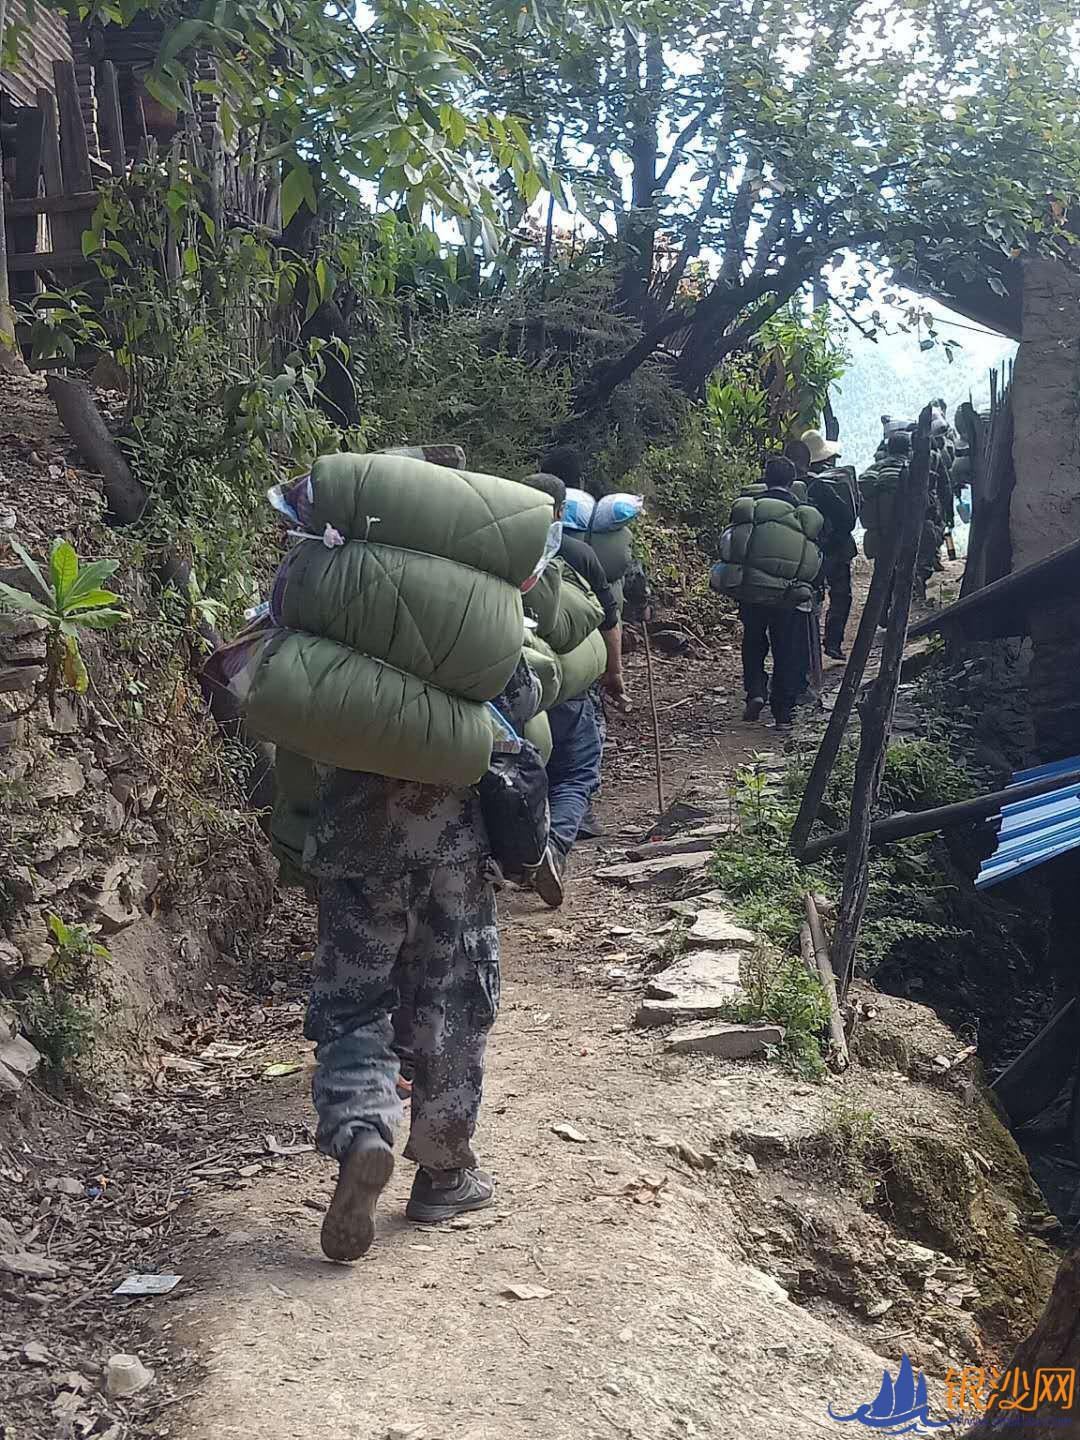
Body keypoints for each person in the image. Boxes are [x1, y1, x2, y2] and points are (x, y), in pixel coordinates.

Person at [304, 652, 542, 1262]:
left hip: (351, 842)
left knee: (352, 1005)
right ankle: (443, 1174)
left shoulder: (329, 618)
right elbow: (516, 698)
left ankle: (362, 1129)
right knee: (453, 1001)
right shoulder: (466, 615)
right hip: (449, 843)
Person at [520, 470, 627, 906]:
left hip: (511, 688)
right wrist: (614, 674)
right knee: (578, 771)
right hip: (567, 689)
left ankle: (515, 851)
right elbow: (609, 622)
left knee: (523, 770)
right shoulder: (580, 553)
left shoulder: (497, 549)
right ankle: (553, 847)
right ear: (562, 511)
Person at [713, 455, 824, 735]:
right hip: (786, 595)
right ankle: (783, 712)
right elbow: (815, 555)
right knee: (786, 650)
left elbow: (729, 546)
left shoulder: (750, 509)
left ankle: (755, 691)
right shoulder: (803, 513)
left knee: (753, 641)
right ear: (793, 481)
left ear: (765, 477)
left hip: (751, 590)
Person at [788, 432, 859, 661]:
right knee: (841, 595)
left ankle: (808, 651)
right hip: (835, 550)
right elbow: (846, 518)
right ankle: (832, 643)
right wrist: (833, 544)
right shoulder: (827, 484)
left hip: (802, 552)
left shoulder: (788, 484)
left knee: (809, 600)